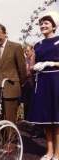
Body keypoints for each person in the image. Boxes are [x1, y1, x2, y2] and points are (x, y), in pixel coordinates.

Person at [27, 11, 59, 160]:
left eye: (46, 23)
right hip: (43, 82)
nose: (42, 25)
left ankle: (58, 154)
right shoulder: (37, 45)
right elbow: (31, 67)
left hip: (56, 80)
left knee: (57, 119)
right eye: (41, 23)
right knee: (46, 119)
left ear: (54, 26)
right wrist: (37, 66)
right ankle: (49, 151)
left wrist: (51, 63)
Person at [0, 23, 26, 129]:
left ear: (5, 33)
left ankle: (11, 143)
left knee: (10, 118)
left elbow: (22, 69)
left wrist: (17, 84)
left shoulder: (15, 47)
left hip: (10, 88)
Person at [22, 44, 34, 120]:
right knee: (25, 99)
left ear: (32, 51)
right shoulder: (26, 59)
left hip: (32, 78)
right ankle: (26, 117)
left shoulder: (35, 58)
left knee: (33, 97)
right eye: (25, 51)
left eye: (28, 51)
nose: (26, 53)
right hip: (26, 79)